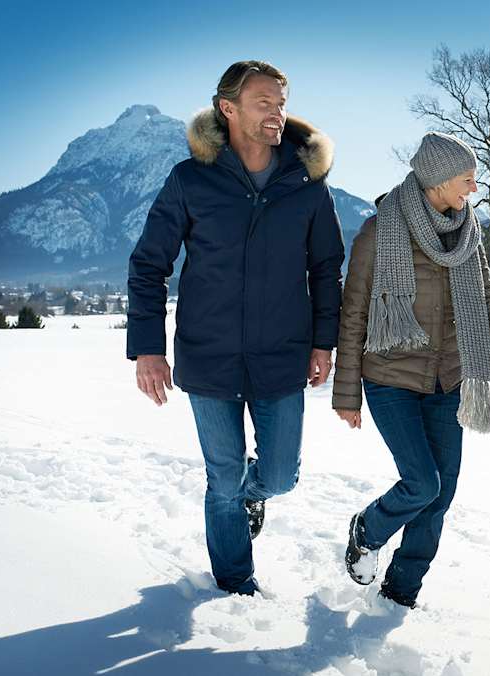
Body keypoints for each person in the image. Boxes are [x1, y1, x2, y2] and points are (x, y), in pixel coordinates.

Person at [127, 60, 345, 596]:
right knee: (221, 479)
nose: (277, 113)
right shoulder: (190, 179)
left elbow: (326, 269)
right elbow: (149, 264)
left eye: (281, 102)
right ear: (228, 109)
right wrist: (147, 350)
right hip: (208, 356)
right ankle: (234, 581)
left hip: (282, 356)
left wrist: (323, 342)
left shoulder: (308, 185)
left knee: (280, 478)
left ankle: (254, 496)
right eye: (263, 102)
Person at [332, 132, 490, 608]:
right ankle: (368, 529)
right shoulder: (380, 231)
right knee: (422, 483)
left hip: (450, 380)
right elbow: (354, 311)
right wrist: (346, 394)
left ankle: (400, 593)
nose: (473, 190)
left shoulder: (468, 232)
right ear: (439, 180)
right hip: (391, 379)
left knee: (440, 497)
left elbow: (486, 301)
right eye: (467, 179)